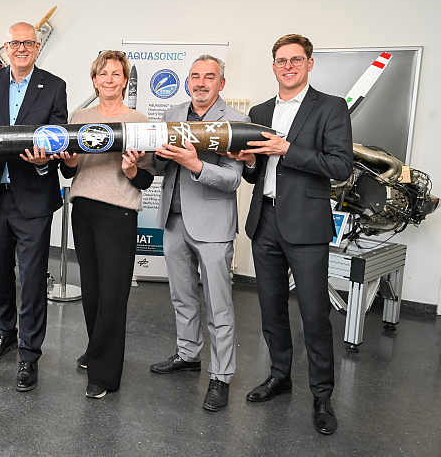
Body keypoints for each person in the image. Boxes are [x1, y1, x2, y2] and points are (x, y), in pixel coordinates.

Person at [228, 34, 353, 434]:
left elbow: (340, 166)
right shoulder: (262, 111)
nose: (288, 66)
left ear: (309, 64)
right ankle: (280, 376)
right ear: (274, 66)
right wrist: (247, 161)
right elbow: (255, 171)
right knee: (271, 309)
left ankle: (321, 395)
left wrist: (287, 149)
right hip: (265, 220)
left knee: (315, 315)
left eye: (296, 60)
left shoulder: (330, 107)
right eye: (281, 60)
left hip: (306, 225)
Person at [0, 21, 68, 392]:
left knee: (31, 276)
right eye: (15, 43)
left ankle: (29, 353)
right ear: (6, 47)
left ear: (37, 47)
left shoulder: (54, 86)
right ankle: (5, 332)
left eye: (28, 42)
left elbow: (58, 137)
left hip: (34, 195)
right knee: (0, 271)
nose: (21, 48)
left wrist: (44, 160)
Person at [151, 55, 250, 412]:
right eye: (195, 76)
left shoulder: (237, 121)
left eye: (209, 77)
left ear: (221, 84)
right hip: (174, 220)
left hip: (211, 224)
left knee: (219, 306)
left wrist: (195, 164)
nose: (201, 83)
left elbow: (233, 179)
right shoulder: (172, 114)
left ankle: (221, 377)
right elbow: (161, 165)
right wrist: (156, 156)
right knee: (182, 297)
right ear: (187, 81)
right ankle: (188, 354)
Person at [53, 50, 154, 399]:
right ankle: (98, 348)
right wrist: (69, 161)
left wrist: (130, 171)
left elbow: (146, 179)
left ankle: (105, 374)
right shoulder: (80, 116)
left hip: (119, 213)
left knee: (112, 294)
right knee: (93, 292)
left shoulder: (139, 120)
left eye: (116, 74)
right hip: (83, 209)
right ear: (94, 80)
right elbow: (69, 170)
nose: (109, 79)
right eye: (102, 74)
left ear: (125, 80)